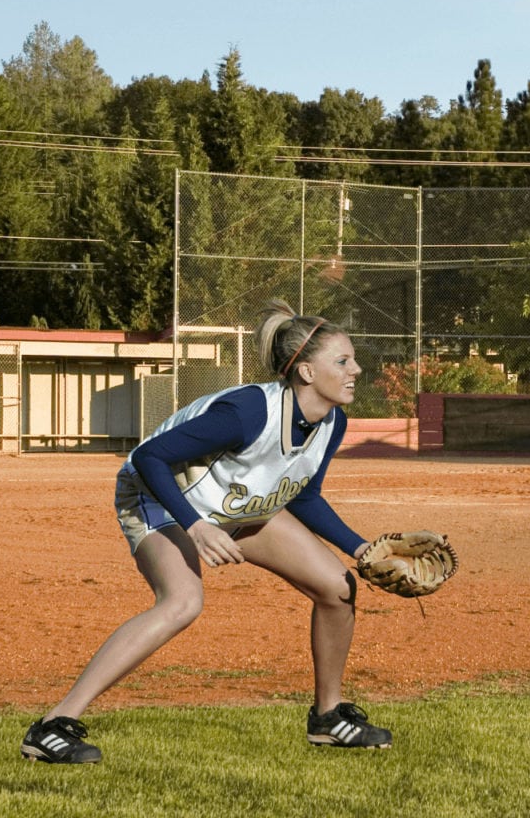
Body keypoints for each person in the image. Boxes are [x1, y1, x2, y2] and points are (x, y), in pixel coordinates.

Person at [21, 300, 391, 763]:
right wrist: (194, 527)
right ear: (307, 373)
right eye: (342, 360)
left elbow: (304, 495)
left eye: (353, 358)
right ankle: (52, 725)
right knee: (183, 601)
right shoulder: (248, 412)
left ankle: (329, 718)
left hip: (232, 506)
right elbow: (148, 458)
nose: (356, 368)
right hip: (159, 497)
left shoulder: (331, 421)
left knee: (337, 587)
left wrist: (363, 549)